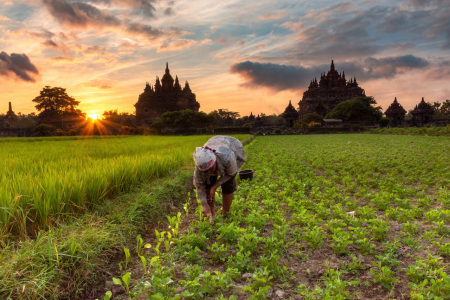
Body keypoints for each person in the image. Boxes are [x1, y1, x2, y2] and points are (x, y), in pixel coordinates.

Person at [193, 135, 247, 221]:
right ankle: (212, 213)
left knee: (228, 185)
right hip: (213, 143)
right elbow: (199, 186)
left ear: (214, 160)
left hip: (232, 147)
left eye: (210, 168)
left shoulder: (227, 158)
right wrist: (204, 204)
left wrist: (214, 187)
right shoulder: (199, 167)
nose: (209, 172)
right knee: (208, 184)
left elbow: (230, 174)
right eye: (206, 170)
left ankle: (225, 215)